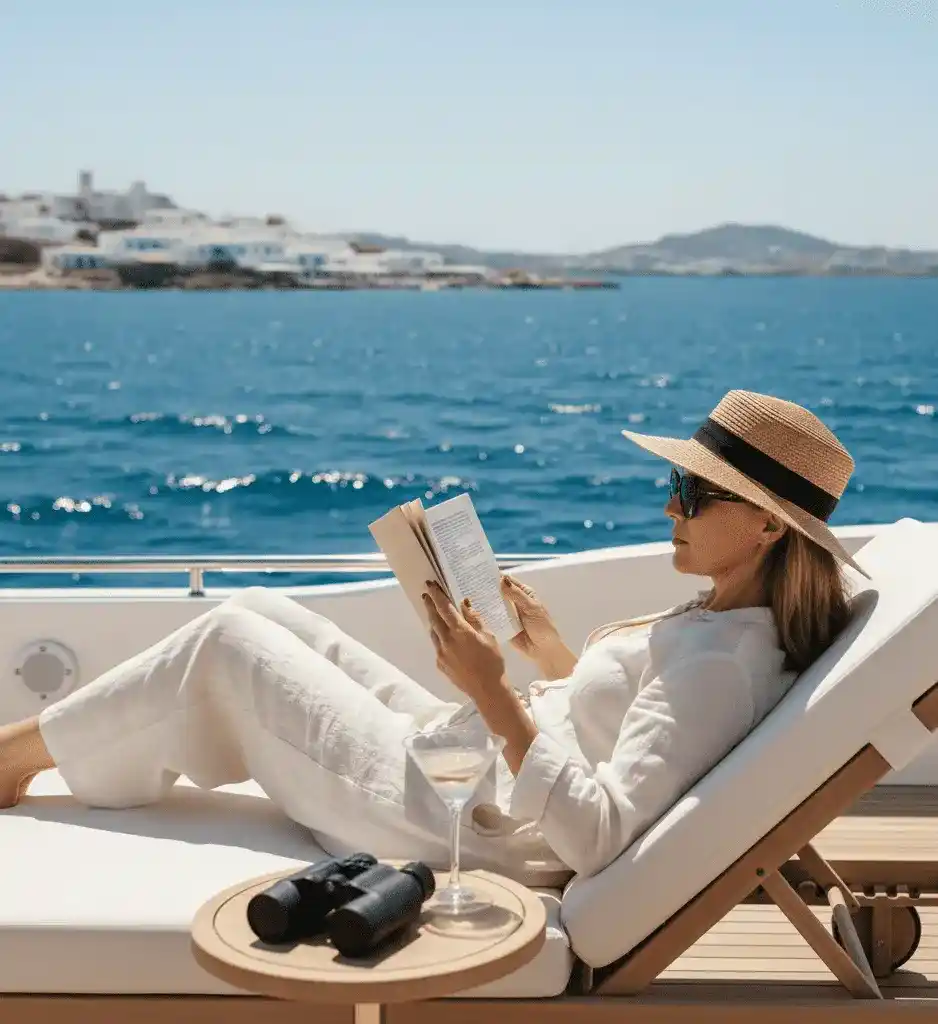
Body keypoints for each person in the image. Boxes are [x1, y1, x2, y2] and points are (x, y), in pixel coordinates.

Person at [0, 390, 863, 882]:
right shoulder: (723, 620)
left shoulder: (723, 666)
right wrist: (546, 655)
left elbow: (597, 836)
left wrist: (491, 692)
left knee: (229, 639)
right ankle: (67, 749)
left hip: (463, 823)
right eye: (678, 480)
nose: (669, 507)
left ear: (769, 527)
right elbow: (619, 735)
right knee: (268, 611)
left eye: (696, 494)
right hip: (476, 766)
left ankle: (14, 758)